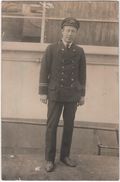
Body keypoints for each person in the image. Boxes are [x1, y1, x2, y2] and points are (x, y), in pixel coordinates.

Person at [39, 17, 86, 172]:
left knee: (69, 126)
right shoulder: (51, 49)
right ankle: (49, 159)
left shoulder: (79, 51)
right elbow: (44, 71)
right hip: (55, 93)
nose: (70, 34)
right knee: (51, 126)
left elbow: (82, 74)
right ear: (62, 31)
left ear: (76, 33)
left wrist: (82, 95)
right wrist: (43, 92)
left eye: (73, 31)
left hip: (72, 94)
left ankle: (65, 156)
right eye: (67, 30)